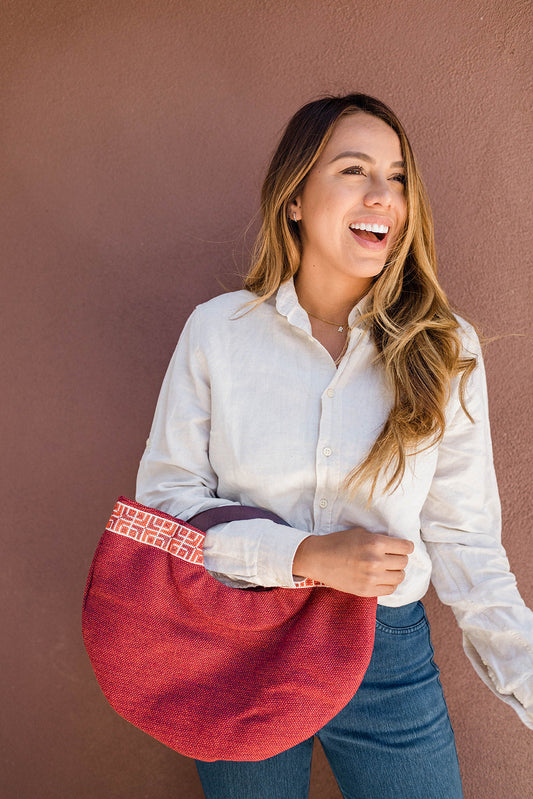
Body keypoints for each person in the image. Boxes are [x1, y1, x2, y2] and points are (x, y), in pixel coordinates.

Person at [136, 94, 532, 799]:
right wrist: (303, 556)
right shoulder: (218, 332)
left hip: (386, 654)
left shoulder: (445, 346)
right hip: (239, 639)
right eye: (354, 170)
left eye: (398, 176)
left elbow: (469, 544)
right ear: (294, 198)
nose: (384, 195)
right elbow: (164, 508)